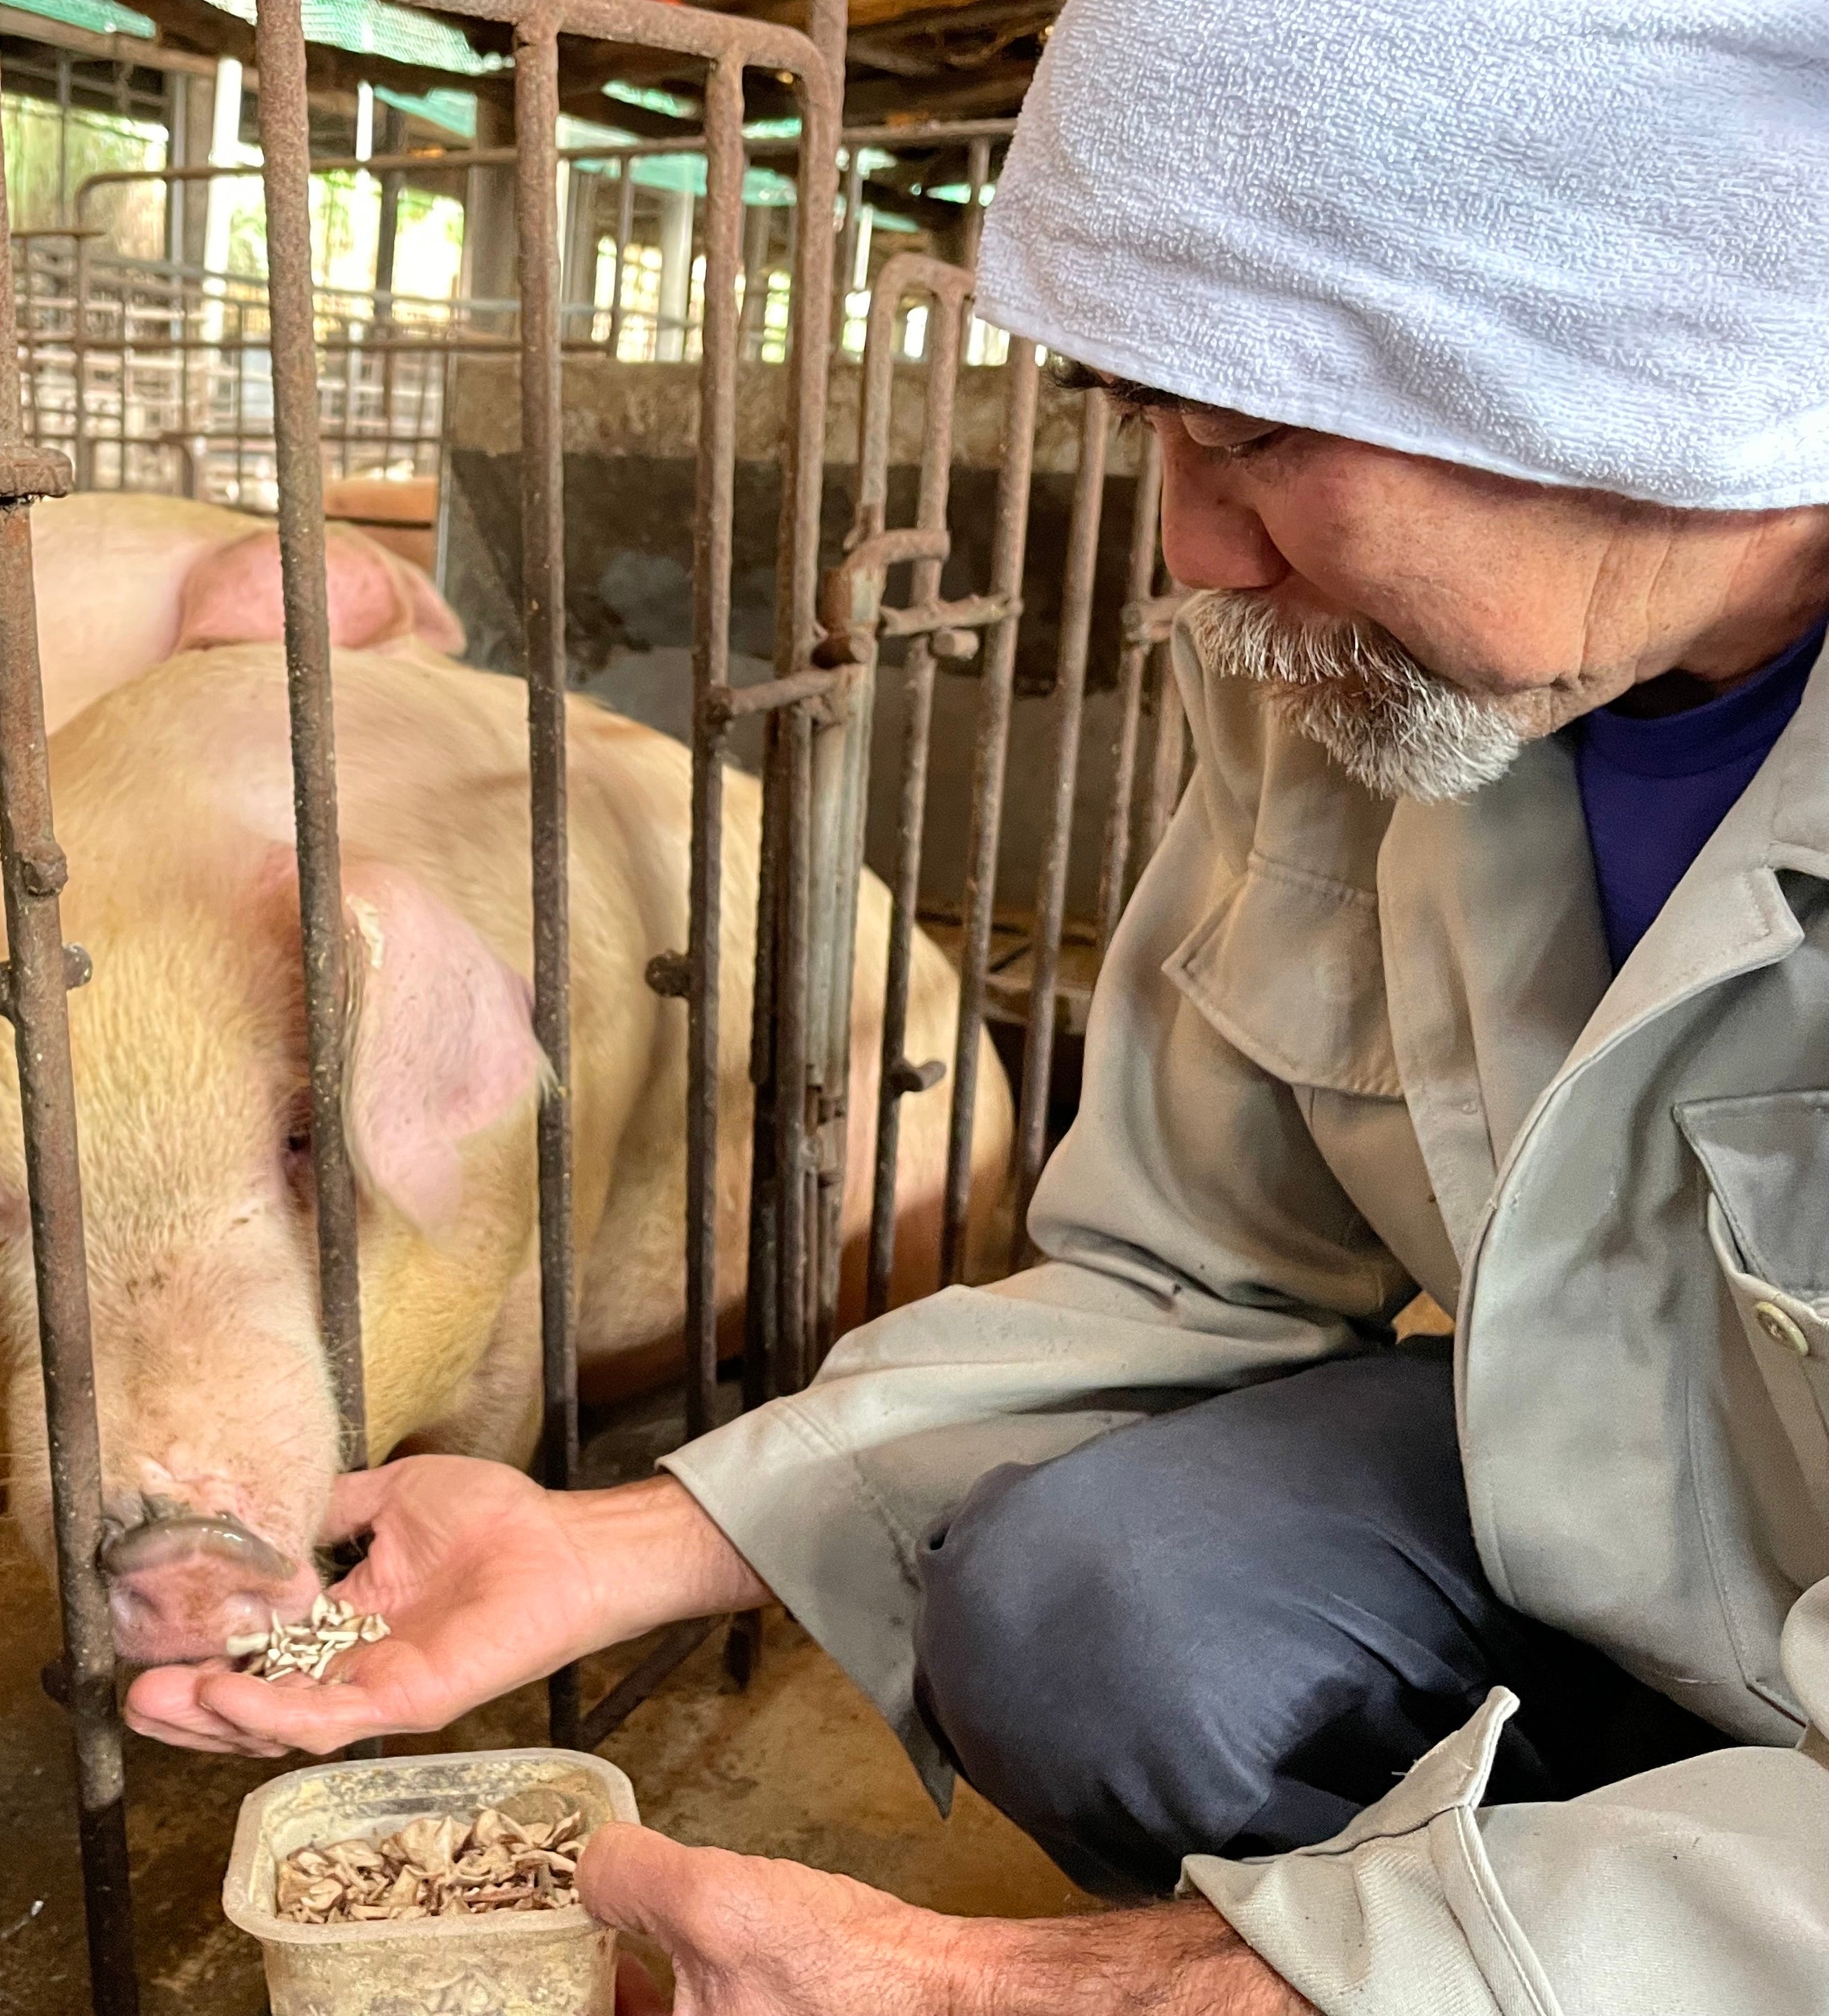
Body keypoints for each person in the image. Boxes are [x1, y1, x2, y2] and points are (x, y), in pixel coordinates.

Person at [130, 1, 1829, 2008]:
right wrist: (631, 1543)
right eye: (1150, 427)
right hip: (1654, 1547)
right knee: (1096, 1603)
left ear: (1642, 353)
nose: (1191, 548)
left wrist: (1062, 1992)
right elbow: (1190, 1271)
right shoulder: (1356, 672)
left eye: (1256, 431)